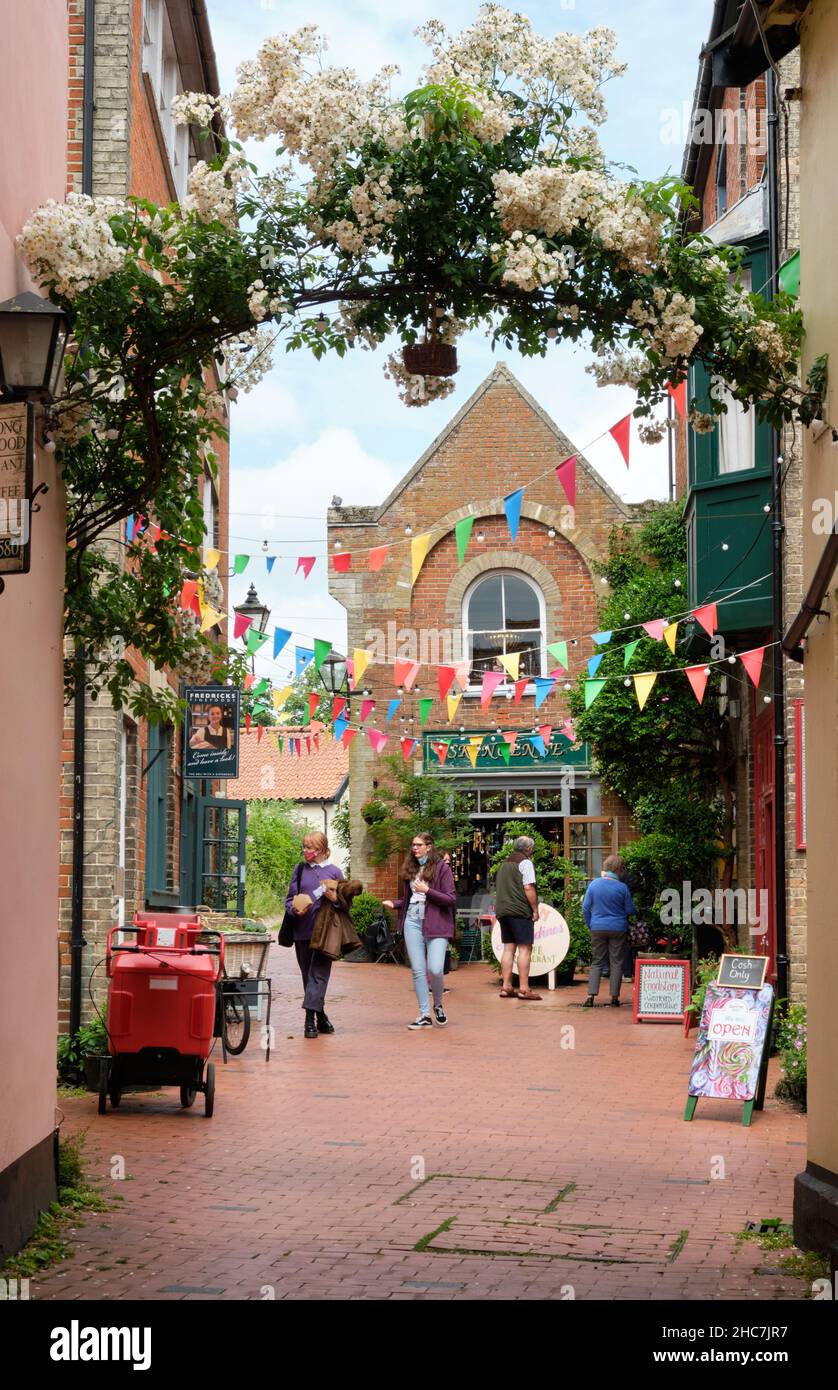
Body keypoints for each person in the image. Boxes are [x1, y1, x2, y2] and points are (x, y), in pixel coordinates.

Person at [383, 832, 456, 1029]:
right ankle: (424, 1014)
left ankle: (438, 1005)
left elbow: (450, 899)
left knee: (435, 968)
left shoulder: (442, 868)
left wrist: (428, 891)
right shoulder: (411, 868)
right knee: (417, 970)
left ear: (429, 846)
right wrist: (397, 904)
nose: (414, 848)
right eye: (413, 845)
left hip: (436, 921)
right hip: (413, 919)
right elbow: (411, 899)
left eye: (419, 845)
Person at [285, 831, 344, 1038]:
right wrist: (295, 909)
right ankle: (321, 1016)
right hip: (302, 931)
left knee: (318, 976)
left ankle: (309, 1020)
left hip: (326, 934)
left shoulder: (335, 872)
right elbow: (289, 899)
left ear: (320, 850)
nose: (305, 851)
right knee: (308, 976)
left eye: (309, 847)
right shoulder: (299, 870)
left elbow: (345, 904)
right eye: (304, 846)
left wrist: (334, 897)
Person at [582, 854, 637, 1008]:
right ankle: (614, 998)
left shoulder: (594, 885)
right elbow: (629, 910)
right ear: (619, 869)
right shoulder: (622, 888)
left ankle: (591, 996)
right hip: (618, 928)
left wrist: (591, 924)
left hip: (597, 927)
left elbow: (585, 908)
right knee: (616, 962)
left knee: (597, 961)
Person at [494, 834, 541, 1001]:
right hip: (520, 911)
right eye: (532, 849)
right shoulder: (525, 863)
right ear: (528, 849)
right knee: (524, 949)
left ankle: (506, 987)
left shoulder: (504, 864)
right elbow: (528, 887)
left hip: (502, 911)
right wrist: (535, 910)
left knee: (508, 948)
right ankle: (524, 988)